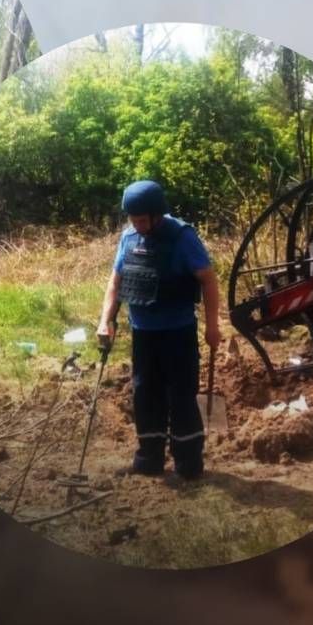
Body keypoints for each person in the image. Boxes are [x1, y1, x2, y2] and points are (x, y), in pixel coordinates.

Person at [96, 180, 221, 480]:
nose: (137, 225)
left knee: (180, 397)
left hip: (177, 333)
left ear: (157, 214)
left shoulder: (182, 237)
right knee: (145, 394)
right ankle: (149, 459)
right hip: (143, 333)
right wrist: (105, 320)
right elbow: (116, 282)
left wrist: (213, 325)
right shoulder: (128, 238)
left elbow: (208, 279)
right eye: (133, 219)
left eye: (142, 220)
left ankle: (188, 466)